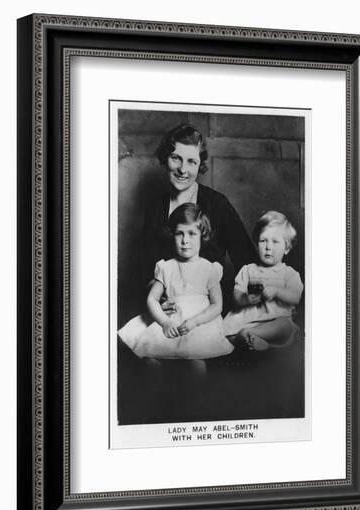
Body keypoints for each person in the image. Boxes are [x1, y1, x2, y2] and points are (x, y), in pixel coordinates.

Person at [140, 124, 256, 301]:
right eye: (176, 158)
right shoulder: (155, 209)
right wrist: (158, 303)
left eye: (191, 161)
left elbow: (247, 260)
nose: (183, 169)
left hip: (210, 307)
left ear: (200, 164)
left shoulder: (218, 205)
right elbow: (145, 270)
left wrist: (259, 306)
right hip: (165, 311)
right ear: (165, 158)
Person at [118, 203, 234, 367]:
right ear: (172, 234)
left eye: (192, 234)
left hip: (198, 326)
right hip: (171, 324)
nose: (185, 240)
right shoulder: (166, 267)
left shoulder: (209, 268)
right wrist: (164, 322)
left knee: (196, 365)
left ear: (203, 235)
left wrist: (195, 321)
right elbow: (152, 299)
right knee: (150, 361)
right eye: (180, 233)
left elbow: (217, 305)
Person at [223, 211, 304, 351]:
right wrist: (246, 299)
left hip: (273, 322)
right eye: (263, 240)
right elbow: (237, 295)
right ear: (256, 243)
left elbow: (296, 297)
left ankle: (254, 338)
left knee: (285, 325)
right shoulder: (248, 270)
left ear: (287, 248)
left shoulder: (289, 274)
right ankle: (250, 339)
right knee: (226, 330)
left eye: (275, 241)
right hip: (247, 320)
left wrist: (277, 291)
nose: (268, 247)